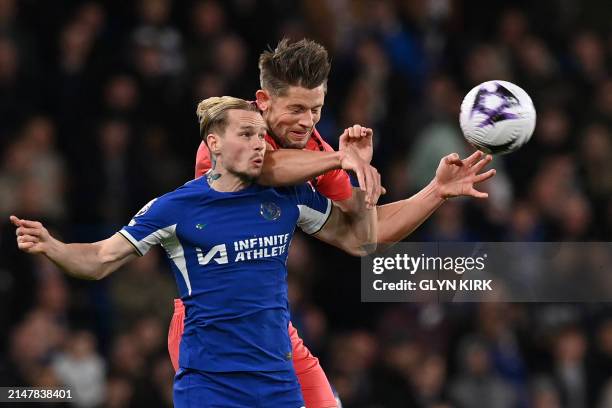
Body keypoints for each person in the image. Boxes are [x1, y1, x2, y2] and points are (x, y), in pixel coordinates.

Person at [171, 38, 497, 407]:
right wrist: (341, 159)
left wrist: (436, 191)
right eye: (296, 109)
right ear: (263, 101)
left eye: (316, 110)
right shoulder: (229, 133)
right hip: (208, 329)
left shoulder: (318, 152)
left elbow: (364, 235)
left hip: (271, 329)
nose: (307, 122)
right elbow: (264, 167)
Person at [11, 96, 379, 407]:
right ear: (214, 143)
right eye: (247, 134)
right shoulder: (174, 208)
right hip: (209, 385)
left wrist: (367, 180)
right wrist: (54, 247)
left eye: (262, 136)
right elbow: (99, 260)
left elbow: (360, 240)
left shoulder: (288, 196)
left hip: (277, 381)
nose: (259, 144)